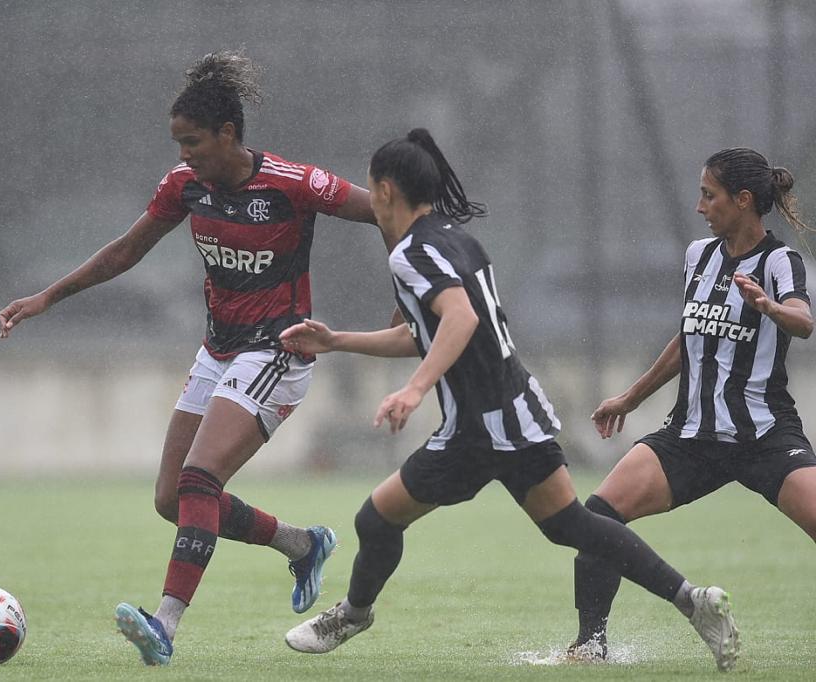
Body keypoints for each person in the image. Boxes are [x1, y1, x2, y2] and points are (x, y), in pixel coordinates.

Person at [280, 129, 739, 672]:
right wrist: (336, 341)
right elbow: (428, 334)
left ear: (383, 191)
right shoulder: (456, 238)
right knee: (570, 525)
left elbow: (461, 318)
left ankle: (353, 616)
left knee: (376, 520)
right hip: (518, 410)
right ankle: (694, 601)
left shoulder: (410, 253)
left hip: (479, 426)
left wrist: (415, 388)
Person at [0, 51, 378, 666]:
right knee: (173, 500)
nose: (184, 154)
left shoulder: (293, 182)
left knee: (200, 479)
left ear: (229, 134)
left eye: (192, 141)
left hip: (278, 350)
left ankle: (165, 625)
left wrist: (407, 298)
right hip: (218, 350)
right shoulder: (186, 186)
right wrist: (49, 296)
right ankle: (303, 544)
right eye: (178, 142)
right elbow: (126, 251)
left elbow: (385, 213)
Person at [567, 147, 815, 662]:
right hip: (691, 435)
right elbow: (688, 339)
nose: (700, 207)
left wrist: (768, 307)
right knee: (598, 516)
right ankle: (590, 646)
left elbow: (803, 320)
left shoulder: (779, 261)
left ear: (743, 200)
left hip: (765, 436)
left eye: (709, 195)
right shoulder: (697, 256)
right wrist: (630, 398)